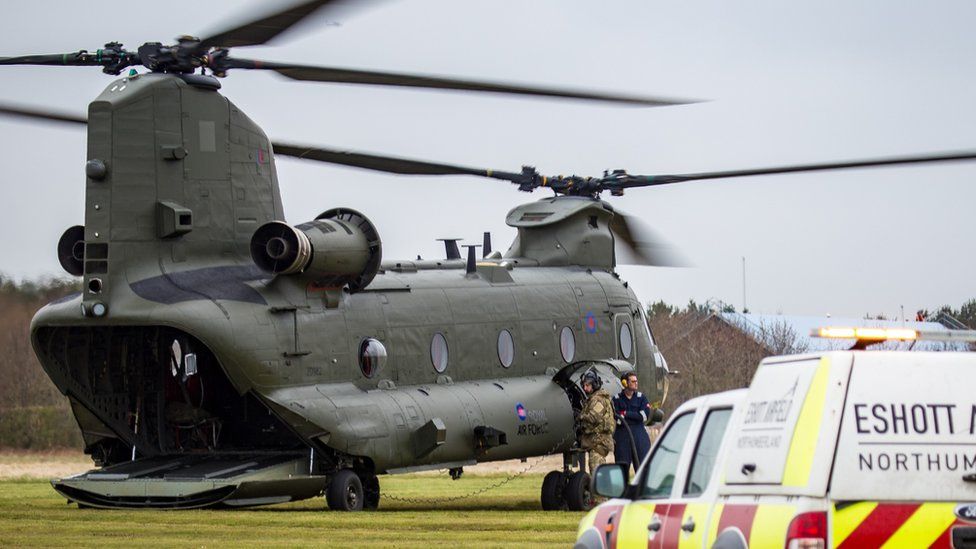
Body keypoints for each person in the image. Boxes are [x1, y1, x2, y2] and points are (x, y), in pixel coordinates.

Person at [612, 371, 652, 472]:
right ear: (625, 383)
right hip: (622, 438)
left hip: (639, 436)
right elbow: (617, 419)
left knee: (643, 470)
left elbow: (644, 416)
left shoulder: (641, 398)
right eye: (633, 381)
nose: (636, 383)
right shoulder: (616, 399)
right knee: (621, 471)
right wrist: (635, 415)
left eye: (636, 381)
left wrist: (625, 414)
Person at [578, 370, 615, 476]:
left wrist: (580, 416)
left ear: (594, 384)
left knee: (596, 474)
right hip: (595, 443)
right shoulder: (593, 399)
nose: (585, 388)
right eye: (584, 385)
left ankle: (601, 492)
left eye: (588, 385)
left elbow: (594, 417)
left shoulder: (598, 399)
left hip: (598, 444)